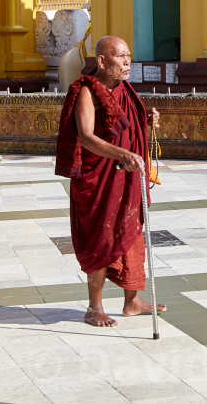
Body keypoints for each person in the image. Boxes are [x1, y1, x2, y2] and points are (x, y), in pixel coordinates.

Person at [56, 36, 165, 327]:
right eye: (120, 56)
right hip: (98, 178)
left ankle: (132, 301)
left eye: (129, 55)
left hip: (126, 178)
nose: (127, 62)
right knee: (102, 238)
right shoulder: (87, 92)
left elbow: (121, 127)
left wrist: (146, 121)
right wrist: (122, 153)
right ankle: (94, 308)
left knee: (131, 233)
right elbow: (87, 137)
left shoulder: (126, 91)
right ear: (102, 61)